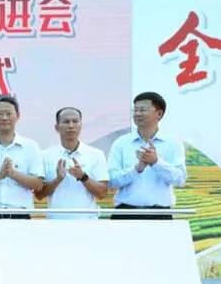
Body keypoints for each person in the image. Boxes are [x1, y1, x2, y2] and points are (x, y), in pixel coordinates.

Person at [107, 91, 186, 220]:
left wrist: (156, 162)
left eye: (143, 110)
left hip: (160, 214)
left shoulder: (172, 143)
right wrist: (137, 169)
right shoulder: (121, 143)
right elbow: (111, 181)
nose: (137, 114)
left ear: (159, 114)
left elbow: (179, 179)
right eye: (135, 110)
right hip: (125, 213)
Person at [36, 107, 109, 219]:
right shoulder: (45, 156)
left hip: (88, 223)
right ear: (57, 127)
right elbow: (39, 195)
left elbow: (102, 193)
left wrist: (83, 177)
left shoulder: (96, 154)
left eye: (75, 121)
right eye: (66, 122)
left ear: (81, 125)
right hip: (55, 223)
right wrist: (58, 180)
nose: (71, 126)